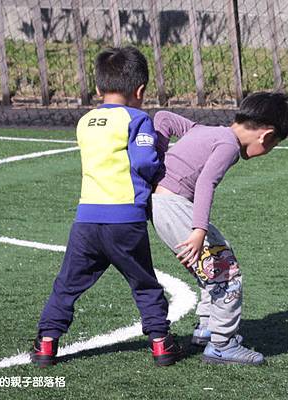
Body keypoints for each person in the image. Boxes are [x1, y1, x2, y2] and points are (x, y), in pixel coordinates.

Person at [32, 46, 182, 368]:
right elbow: (143, 160)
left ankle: (46, 342)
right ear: (140, 91)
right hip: (125, 219)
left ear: (98, 89)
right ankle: (160, 343)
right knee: (143, 282)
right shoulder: (138, 118)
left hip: (86, 219)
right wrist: (160, 163)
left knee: (67, 285)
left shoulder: (85, 121)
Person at [151, 92, 288, 365]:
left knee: (214, 265)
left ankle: (206, 328)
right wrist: (199, 229)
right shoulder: (228, 144)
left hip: (164, 205)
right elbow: (206, 183)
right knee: (226, 273)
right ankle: (222, 345)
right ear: (267, 136)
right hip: (173, 207)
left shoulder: (202, 129)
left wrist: (158, 158)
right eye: (272, 147)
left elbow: (163, 118)